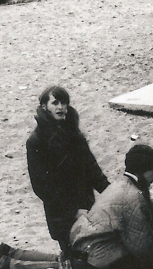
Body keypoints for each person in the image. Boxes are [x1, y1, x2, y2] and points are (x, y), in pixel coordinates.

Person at [67, 144, 153, 269]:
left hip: (82, 255)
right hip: (95, 261)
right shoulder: (133, 196)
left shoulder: (118, 185)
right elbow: (142, 246)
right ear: (143, 170)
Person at [26, 85, 109, 256]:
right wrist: (73, 211)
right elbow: (42, 186)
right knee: (75, 257)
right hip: (61, 214)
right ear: (44, 107)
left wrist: (110, 193)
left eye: (64, 103)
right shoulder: (37, 141)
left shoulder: (74, 133)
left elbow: (92, 168)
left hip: (86, 205)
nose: (60, 107)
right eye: (55, 103)